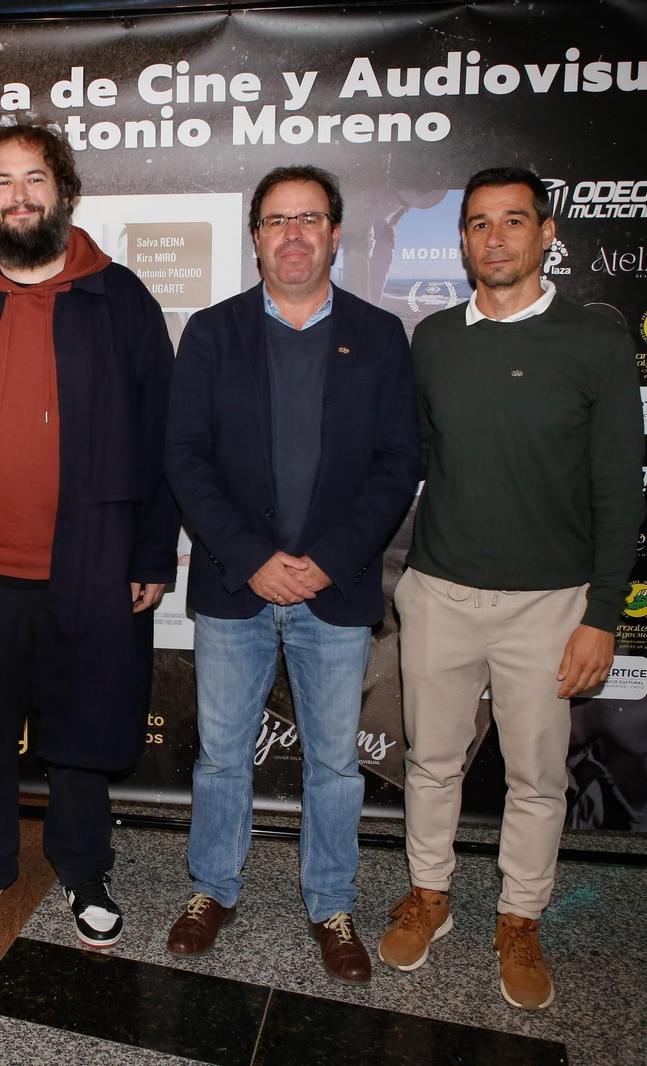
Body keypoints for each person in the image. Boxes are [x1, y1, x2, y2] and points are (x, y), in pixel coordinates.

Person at [378, 167, 644, 1010]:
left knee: (535, 776)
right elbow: (416, 463)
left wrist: (603, 615)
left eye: (513, 222)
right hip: (441, 593)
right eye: (479, 224)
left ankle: (520, 916)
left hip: (550, 604)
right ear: (461, 240)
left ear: (547, 233)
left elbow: (619, 487)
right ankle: (430, 895)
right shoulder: (436, 341)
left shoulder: (595, 341)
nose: (495, 239)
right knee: (431, 760)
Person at [0, 120, 178, 949]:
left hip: (90, 564)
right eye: (2, 181)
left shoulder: (121, 297)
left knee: (81, 731)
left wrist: (150, 552)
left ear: (62, 191)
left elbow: (160, 433)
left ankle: (83, 868)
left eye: (35, 179)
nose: (20, 195)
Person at [163, 166, 421, 983]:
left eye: (310, 218)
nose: (294, 235)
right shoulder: (212, 331)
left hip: (334, 590)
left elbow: (396, 466)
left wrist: (323, 564)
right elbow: (186, 458)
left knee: (337, 765)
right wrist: (254, 560)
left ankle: (331, 902)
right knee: (221, 756)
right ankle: (213, 888)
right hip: (237, 586)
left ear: (337, 233)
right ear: (256, 237)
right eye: (277, 221)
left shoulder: (380, 337)